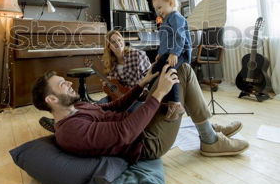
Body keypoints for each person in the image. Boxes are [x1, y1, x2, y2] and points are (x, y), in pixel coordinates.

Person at [32, 63, 249, 161]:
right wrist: (158, 94)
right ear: (51, 99)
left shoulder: (76, 107)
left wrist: (142, 84)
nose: (69, 83)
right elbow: (125, 132)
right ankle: (209, 139)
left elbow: (111, 107)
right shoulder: (71, 131)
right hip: (148, 141)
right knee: (181, 72)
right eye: (62, 84)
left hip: (141, 124)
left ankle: (207, 128)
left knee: (169, 67)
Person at [152, 0, 192, 122]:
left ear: (170, 2)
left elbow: (179, 36)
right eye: (156, 9)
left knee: (169, 68)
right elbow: (164, 41)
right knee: (156, 67)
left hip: (181, 52)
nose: (158, 11)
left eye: (160, 7)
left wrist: (175, 53)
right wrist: (160, 54)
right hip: (169, 52)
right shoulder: (165, 20)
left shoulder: (175, 16)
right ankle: (153, 93)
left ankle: (176, 104)